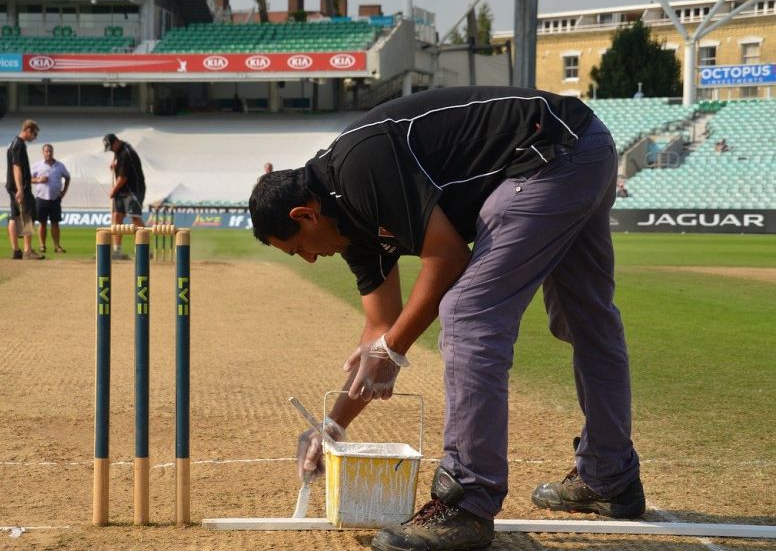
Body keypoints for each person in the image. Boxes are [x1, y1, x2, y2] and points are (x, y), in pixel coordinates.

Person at [249, 86, 645, 551]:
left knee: (468, 313)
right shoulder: (345, 225)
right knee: (587, 322)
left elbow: (448, 257)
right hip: (582, 146)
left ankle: (467, 502)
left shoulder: (358, 170)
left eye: (298, 249)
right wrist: (332, 426)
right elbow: (380, 329)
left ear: (305, 215)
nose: (310, 260)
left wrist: (392, 349)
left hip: (550, 155)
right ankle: (609, 475)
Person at [104, 133, 146, 260]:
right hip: (122, 191)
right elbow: (118, 165)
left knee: (135, 217)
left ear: (116, 142)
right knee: (116, 216)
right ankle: (117, 250)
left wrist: (113, 190)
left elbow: (123, 177)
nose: (111, 150)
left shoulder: (126, 153)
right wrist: (114, 165)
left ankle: (143, 249)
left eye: (111, 147)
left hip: (133, 190)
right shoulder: (119, 150)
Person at [6, 119, 44, 260]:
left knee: (14, 216)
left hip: (12, 185)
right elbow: (17, 168)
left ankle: (16, 251)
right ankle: (27, 250)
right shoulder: (19, 145)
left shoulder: (13, 144)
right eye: (34, 134)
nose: (35, 137)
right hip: (20, 186)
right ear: (28, 130)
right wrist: (21, 189)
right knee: (28, 215)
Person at [32, 143, 71, 254]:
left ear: (53, 152)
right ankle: (42, 246)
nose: (49, 153)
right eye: (46, 151)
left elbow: (67, 177)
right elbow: (29, 178)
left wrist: (64, 191)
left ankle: (57, 246)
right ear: (43, 153)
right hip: (41, 198)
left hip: (55, 199)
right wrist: (38, 180)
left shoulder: (60, 166)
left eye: (50, 151)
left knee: (55, 223)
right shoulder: (37, 165)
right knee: (42, 223)